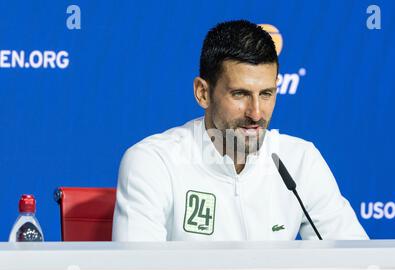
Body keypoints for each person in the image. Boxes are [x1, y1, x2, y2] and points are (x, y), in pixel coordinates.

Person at [112, 20, 368, 241]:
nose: (256, 113)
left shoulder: (299, 160)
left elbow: (355, 261)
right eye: (240, 94)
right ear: (203, 93)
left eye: (266, 94)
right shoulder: (154, 162)